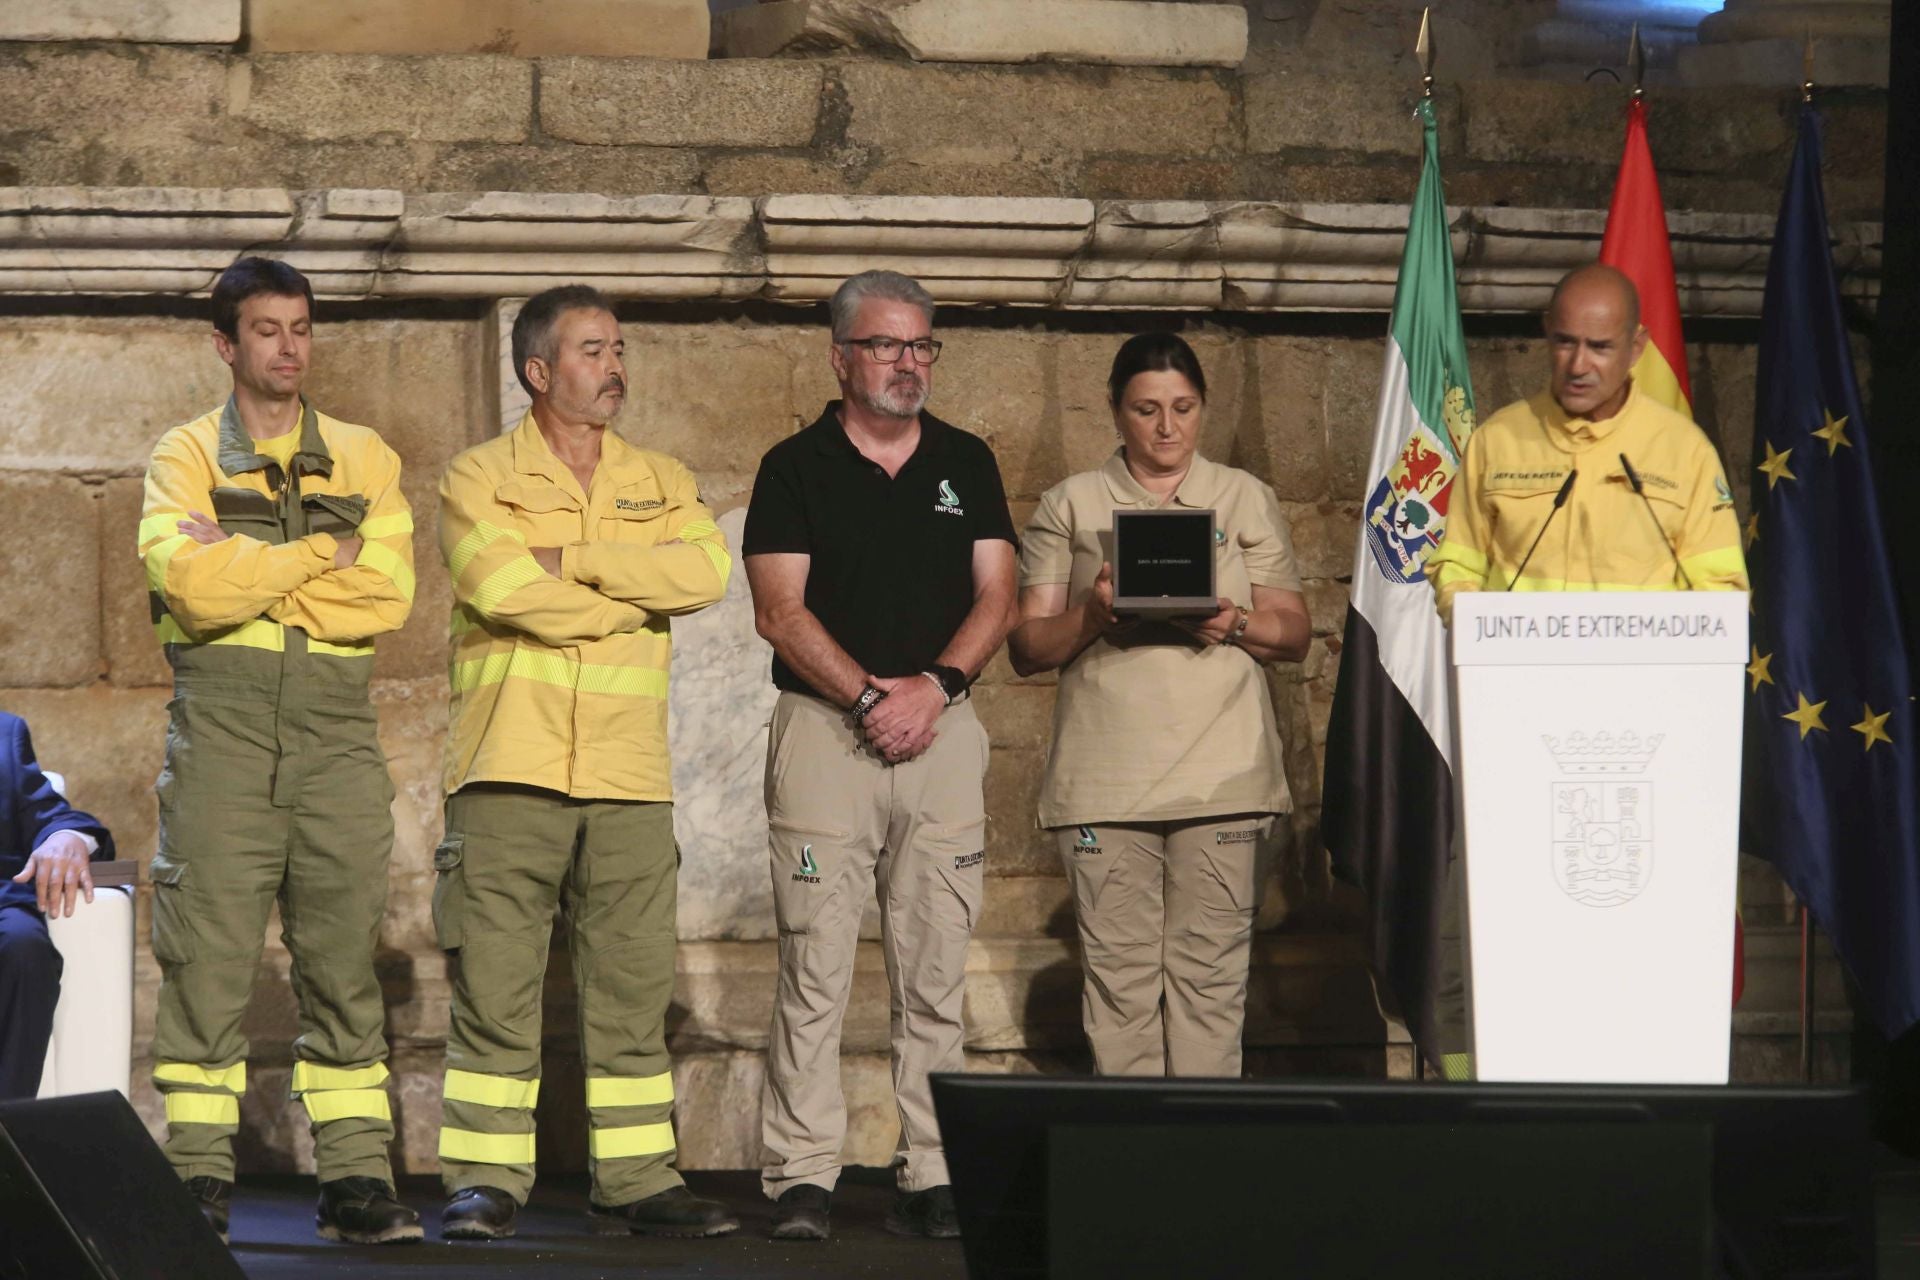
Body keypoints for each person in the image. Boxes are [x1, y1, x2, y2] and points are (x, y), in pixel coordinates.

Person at [432, 285, 736, 1242]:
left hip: (628, 779)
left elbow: (704, 572)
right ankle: (485, 1180)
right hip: (507, 768)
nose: (615, 367)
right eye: (594, 351)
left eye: (619, 349)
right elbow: (508, 590)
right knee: (494, 986)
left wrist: (578, 560)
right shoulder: (477, 477)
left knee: (633, 987)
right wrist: (624, 590)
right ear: (538, 370)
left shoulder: (664, 476)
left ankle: (639, 1177)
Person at [136, 256, 418, 1244]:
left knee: (343, 963)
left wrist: (245, 562)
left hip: (338, 740)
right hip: (221, 736)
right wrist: (318, 557)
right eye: (266, 329)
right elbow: (192, 590)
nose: (289, 346)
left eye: (300, 327)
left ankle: (354, 1180)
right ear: (227, 343)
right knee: (206, 963)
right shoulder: (182, 456)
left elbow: (388, 597)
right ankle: (198, 1178)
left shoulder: (364, 454)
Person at [743, 270, 1017, 1242]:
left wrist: (933, 686)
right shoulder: (795, 467)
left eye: (922, 346)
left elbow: (1000, 592)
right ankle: (801, 1173)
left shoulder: (966, 461)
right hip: (827, 736)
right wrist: (868, 696)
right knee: (815, 961)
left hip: (940, 735)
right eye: (888, 345)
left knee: (935, 964)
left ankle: (934, 1168)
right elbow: (780, 611)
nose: (909, 362)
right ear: (841, 355)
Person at [1424, 262, 1748, 1078]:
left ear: (1637, 347)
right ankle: (1498, 1114)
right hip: (1514, 747)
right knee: (1502, 944)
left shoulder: (1680, 450)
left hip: (1647, 759)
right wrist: (1476, 614)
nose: (1578, 363)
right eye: (1563, 342)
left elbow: (1722, 591)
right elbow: (1454, 568)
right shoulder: (1499, 440)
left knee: (1633, 949)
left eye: (1600, 347)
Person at [1007, 332, 1311, 1079]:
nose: (1167, 428)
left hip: (1222, 780)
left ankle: (1202, 1176)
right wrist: (1095, 614)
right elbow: (1027, 645)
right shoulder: (1072, 502)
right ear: (1116, 412)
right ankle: (1132, 1172)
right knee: (1120, 986)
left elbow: (1293, 632)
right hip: (1107, 785)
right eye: (1147, 409)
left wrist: (1228, 619)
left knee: (1210, 985)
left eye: (1183, 408)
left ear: (1203, 408)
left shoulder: (1243, 496)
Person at [0, 711, 115, 1100]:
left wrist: (67, 837)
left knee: (24, 947)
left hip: (2, 905)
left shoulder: (5, 732)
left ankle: (6, 1136)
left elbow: (51, 815)